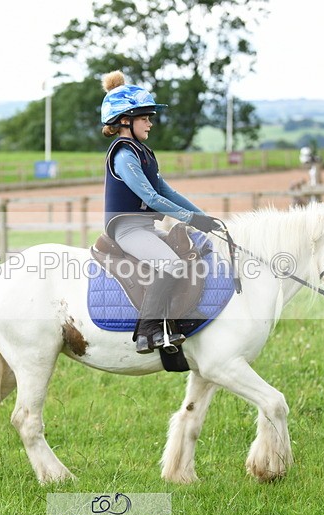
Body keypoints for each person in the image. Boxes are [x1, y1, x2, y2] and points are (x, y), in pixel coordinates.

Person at [100, 71, 222, 354]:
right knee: (171, 265)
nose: (150, 123)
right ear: (125, 120)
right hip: (128, 231)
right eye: (145, 118)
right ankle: (147, 330)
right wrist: (192, 219)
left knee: (192, 253)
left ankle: (178, 317)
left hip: (146, 228)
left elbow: (169, 192)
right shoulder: (124, 155)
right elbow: (151, 198)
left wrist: (204, 218)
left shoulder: (142, 152)